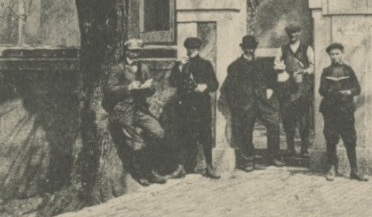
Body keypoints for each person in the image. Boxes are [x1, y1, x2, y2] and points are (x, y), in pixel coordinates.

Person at [103, 38, 182, 185]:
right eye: (133, 51)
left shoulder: (143, 67)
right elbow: (109, 89)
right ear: (126, 51)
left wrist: (148, 88)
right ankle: (143, 174)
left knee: (158, 132)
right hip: (124, 110)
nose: (135, 54)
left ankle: (152, 169)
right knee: (137, 143)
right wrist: (127, 88)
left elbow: (152, 88)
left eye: (138, 51)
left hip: (140, 109)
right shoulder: (118, 68)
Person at [222, 35, 283, 171]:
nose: (250, 50)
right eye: (247, 48)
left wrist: (270, 89)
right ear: (243, 48)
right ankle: (248, 160)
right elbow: (228, 88)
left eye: (252, 48)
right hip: (245, 105)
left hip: (262, 103)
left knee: (273, 125)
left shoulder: (261, 64)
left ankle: (273, 156)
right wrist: (236, 105)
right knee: (246, 132)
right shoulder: (235, 66)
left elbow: (272, 79)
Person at [169, 36, 220, 178]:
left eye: (194, 48)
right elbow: (172, 82)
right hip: (184, 105)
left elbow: (215, 84)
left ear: (198, 49)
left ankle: (209, 167)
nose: (191, 51)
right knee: (182, 134)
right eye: (188, 48)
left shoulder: (205, 64)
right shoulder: (181, 64)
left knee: (205, 135)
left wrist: (205, 86)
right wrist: (179, 67)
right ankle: (181, 167)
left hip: (201, 105)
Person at [317, 42, 367, 181]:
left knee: (350, 139)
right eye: (332, 54)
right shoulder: (326, 71)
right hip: (330, 109)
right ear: (329, 56)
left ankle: (354, 170)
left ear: (342, 54)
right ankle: (332, 168)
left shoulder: (348, 70)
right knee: (331, 138)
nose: (334, 57)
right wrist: (331, 90)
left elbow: (357, 88)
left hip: (345, 109)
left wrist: (348, 91)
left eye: (337, 53)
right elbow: (321, 90)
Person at [277, 23, 314, 162]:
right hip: (287, 88)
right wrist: (282, 69)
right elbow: (277, 63)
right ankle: (290, 148)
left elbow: (313, 65)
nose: (293, 35)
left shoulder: (307, 49)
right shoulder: (282, 49)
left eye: (295, 33)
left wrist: (305, 71)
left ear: (299, 33)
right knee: (288, 119)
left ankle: (304, 149)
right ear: (287, 34)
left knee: (304, 120)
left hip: (302, 88)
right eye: (290, 33)